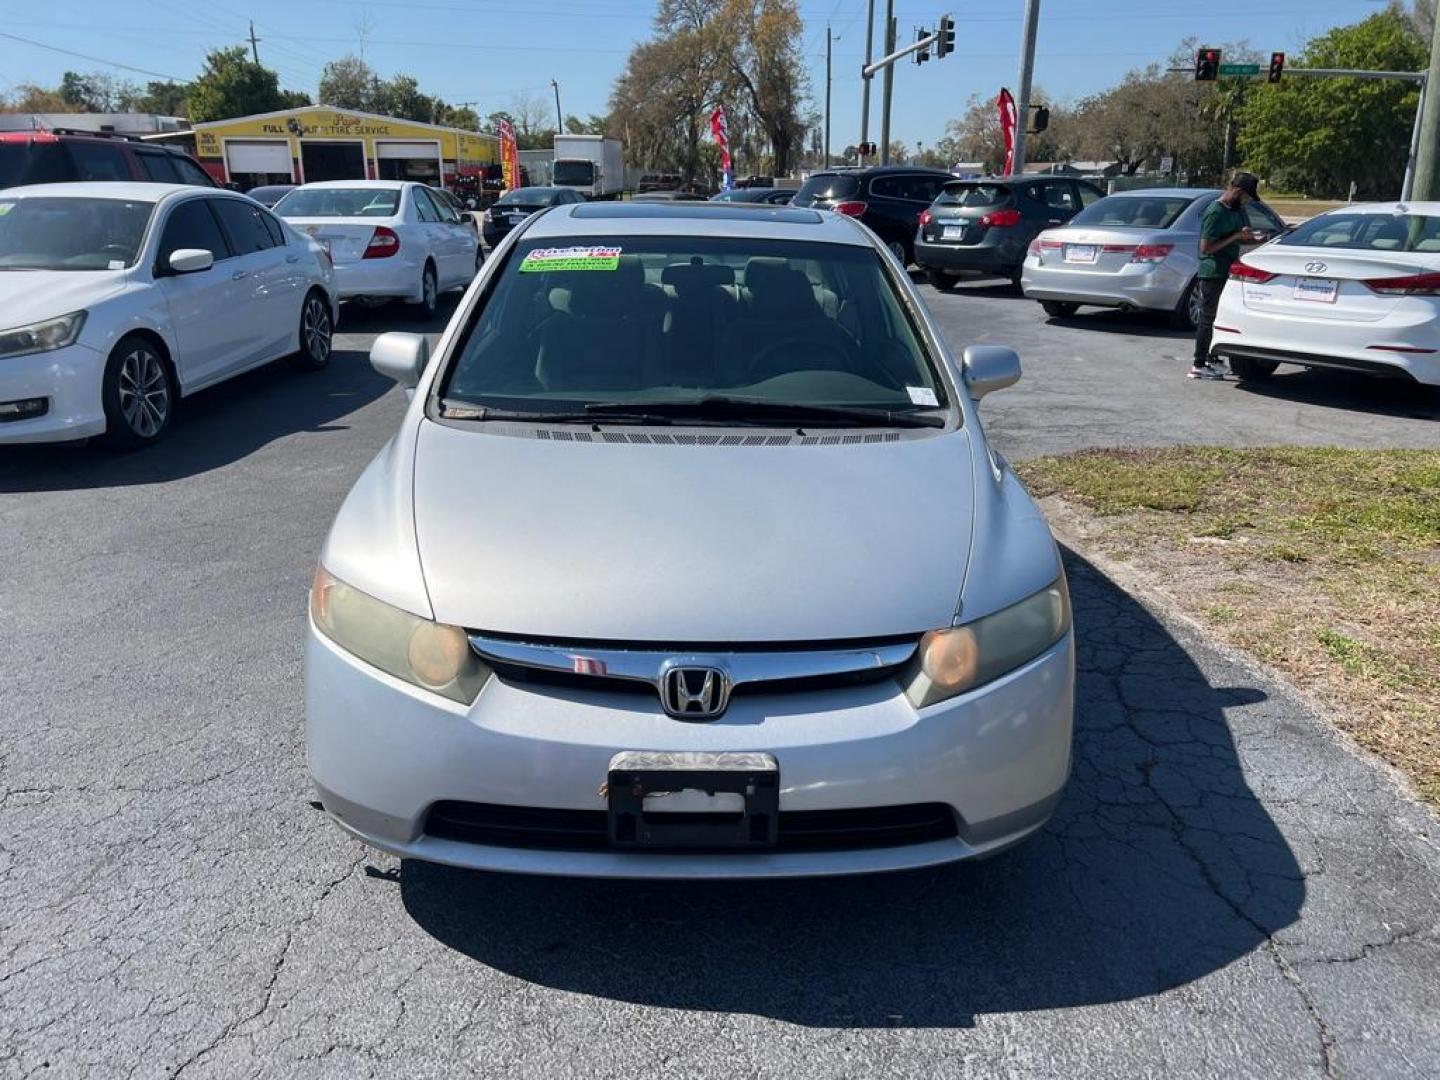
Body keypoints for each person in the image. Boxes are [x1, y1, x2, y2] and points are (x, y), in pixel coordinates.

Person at [1191, 170, 1259, 380]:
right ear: (1237, 191)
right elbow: (1206, 248)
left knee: (1220, 317)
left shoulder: (1237, 210)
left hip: (1229, 270)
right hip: (1212, 271)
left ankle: (1213, 359)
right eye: (1246, 197)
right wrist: (1237, 236)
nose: (1247, 202)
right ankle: (1198, 364)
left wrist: (1256, 239)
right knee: (1207, 317)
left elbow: (1238, 238)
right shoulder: (1215, 211)